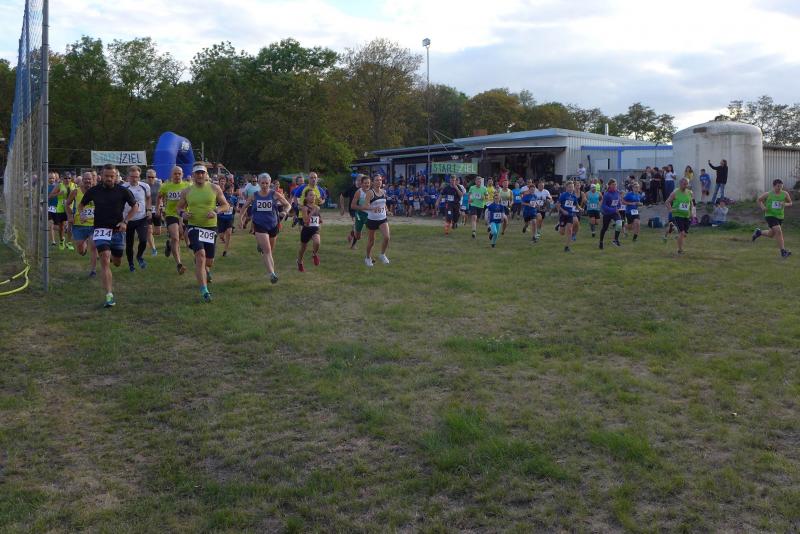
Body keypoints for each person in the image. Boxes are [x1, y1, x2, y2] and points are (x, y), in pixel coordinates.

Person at [77, 164, 138, 308]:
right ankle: (109, 295)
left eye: (112, 176)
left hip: (117, 231)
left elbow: (135, 206)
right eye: (106, 176)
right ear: (101, 176)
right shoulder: (94, 191)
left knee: (116, 261)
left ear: (116, 176)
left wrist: (125, 221)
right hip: (100, 230)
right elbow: (81, 205)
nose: (109, 179)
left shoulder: (123, 191)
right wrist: (82, 214)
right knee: (104, 258)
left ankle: (113, 256)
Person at [176, 164, 230, 302]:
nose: (200, 175)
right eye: (197, 173)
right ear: (193, 175)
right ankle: (204, 290)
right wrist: (183, 214)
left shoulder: (214, 188)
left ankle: (204, 267)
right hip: (194, 226)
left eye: (202, 173)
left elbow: (226, 205)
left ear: (206, 175)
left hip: (210, 227)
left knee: (209, 262)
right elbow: (179, 208)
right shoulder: (187, 191)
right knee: (201, 255)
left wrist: (216, 211)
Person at [240, 173, 289, 284]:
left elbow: (288, 205)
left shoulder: (274, 194)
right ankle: (272, 274)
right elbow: (244, 207)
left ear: (270, 183)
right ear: (259, 183)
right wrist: (240, 220)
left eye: (267, 183)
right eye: (262, 183)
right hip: (259, 225)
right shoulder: (254, 195)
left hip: (273, 225)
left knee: (270, 251)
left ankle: (261, 246)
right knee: (267, 251)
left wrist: (285, 212)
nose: (264, 185)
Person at [158, 166, 190, 275]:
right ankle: (179, 264)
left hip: (184, 214)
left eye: (179, 173)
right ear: (171, 175)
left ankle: (169, 245)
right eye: (175, 173)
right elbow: (159, 197)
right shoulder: (166, 186)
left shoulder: (187, 185)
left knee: (179, 237)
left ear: (182, 174)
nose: (177, 176)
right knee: (176, 238)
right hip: (171, 214)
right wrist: (158, 208)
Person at [65, 171, 98, 276]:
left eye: (89, 179)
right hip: (79, 225)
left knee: (94, 246)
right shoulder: (75, 191)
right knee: (80, 250)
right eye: (85, 179)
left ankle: (93, 270)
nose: (87, 181)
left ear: (93, 180)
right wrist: (70, 216)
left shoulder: (97, 191)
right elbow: (67, 204)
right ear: (82, 180)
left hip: (94, 225)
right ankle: (84, 247)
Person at [121, 166, 152, 272]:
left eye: (136, 177)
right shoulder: (123, 187)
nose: (134, 179)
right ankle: (131, 264)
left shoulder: (145, 186)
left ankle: (139, 256)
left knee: (143, 240)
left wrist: (148, 209)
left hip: (141, 218)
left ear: (139, 176)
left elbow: (148, 198)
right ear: (128, 176)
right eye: (132, 177)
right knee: (129, 244)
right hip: (128, 219)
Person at [752, 179, 793, 258]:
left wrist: (785, 204)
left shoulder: (785, 194)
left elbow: (790, 203)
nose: (780, 188)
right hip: (770, 215)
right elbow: (759, 200)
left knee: (771, 234)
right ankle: (783, 252)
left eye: (781, 187)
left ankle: (759, 232)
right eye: (778, 186)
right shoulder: (768, 194)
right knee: (778, 231)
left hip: (780, 216)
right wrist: (763, 207)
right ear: (774, 186)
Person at [363, 175, 390, 267]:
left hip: (383, 218)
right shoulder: (370, 193)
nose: (379, 182)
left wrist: (387, 211)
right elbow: (365, 206)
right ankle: (367, 258)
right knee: (371, 241)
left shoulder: (383, 192)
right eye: (377, 180)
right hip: (372, 219)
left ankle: (382, 254)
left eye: (380, 180)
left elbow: (384, 204)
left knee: (387, 237)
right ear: (373, 182)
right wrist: (373, 208)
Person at [664, 177, 693, 254]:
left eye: (687, 184)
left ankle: (676, 234)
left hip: (686, 215)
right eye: (684, 184)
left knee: (684, 234)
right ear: (680, 184)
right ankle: (680, 250)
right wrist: (670, 209)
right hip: (677, 215)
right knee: (682, 233)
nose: (686, 185)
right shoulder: (675, 193)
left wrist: (691, 212)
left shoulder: (689, 192)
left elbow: (691, 202)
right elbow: (667, 202)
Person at [297, 189, 323, 271]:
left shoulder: (317, 207)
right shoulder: (304, 208)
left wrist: (320, 220)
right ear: (306, 197)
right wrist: (313, 211)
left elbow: (318, 218)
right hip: (306, 230)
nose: (313, 197)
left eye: (314, 195)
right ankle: (299, 262)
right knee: (303, 249)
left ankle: (314, 254)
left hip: (315, 229)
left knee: (317, 242)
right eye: (310, 195)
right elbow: (305, 221)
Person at [598, 179, 622, 250]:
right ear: (609, 185)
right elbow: (603, 206)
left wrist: (618, 207)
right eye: (613, 185)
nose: (614, 186)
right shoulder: (606, 194)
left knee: (619, 224)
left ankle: (615, 240)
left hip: (615, 213)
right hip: (607, 213)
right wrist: (613, 209)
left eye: (615, 184)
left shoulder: (617, 192)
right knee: (605, 228)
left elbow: (618, 203)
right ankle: (601, 242)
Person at [350, 175, 371, 249]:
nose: (367, 184)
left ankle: (370, 247)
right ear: (361, 184)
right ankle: (354, 235)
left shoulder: (372, 192)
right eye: (365, 183)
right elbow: (352, 206)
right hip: (360, 214)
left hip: (369, 214)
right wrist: (363, 207)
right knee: (358, 236)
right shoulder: (359, 192)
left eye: (368, 183)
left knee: (371, 230)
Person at [144, 168, 162, 256]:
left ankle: (147, 235)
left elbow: (161, 196)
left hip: (157, 208)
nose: (151, 179)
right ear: (146, 177)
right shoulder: (142, 184)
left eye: (152, 177)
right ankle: (153, 249)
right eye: (149, 177)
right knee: (149, 230)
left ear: (155, 177)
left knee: (158, 232)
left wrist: (161, 207)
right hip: (147, 209)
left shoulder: (158, 185)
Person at [217, 178, 237, 257]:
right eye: (229, 191)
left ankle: (225, 250)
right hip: (221, 218)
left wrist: (236, 209)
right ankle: (222, 238)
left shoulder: (234, 198)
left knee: (229, 233)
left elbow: (235, 207)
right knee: (221, 235)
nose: (230, 192)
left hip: (229, 218)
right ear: (226, 191)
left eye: (232, 191)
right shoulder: (222, 196)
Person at [557, 181, 579, 252]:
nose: (571, 188)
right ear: (566, 188)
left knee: (569, 230)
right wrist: (563, 211)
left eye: (572, 187)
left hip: (570, 215)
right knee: (562, 233)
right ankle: (558, 226)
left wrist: (580, 209)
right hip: (563, 215)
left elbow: (576, 205)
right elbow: (558, 205)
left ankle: (567, 247)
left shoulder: (574, 196)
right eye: (569, 187)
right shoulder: (563, 195)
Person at [340, 175, 361, 246]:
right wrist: (342, 207)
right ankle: (353, 245)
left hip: (362, 210)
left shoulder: (365, 188)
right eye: (359, 180)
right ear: (357, 180)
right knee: (357, 225)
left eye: (362, 180)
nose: (361, 182)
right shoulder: (351, 188)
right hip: (353, 210)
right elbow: (342, 196)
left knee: (358, 226)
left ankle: (351, 234)